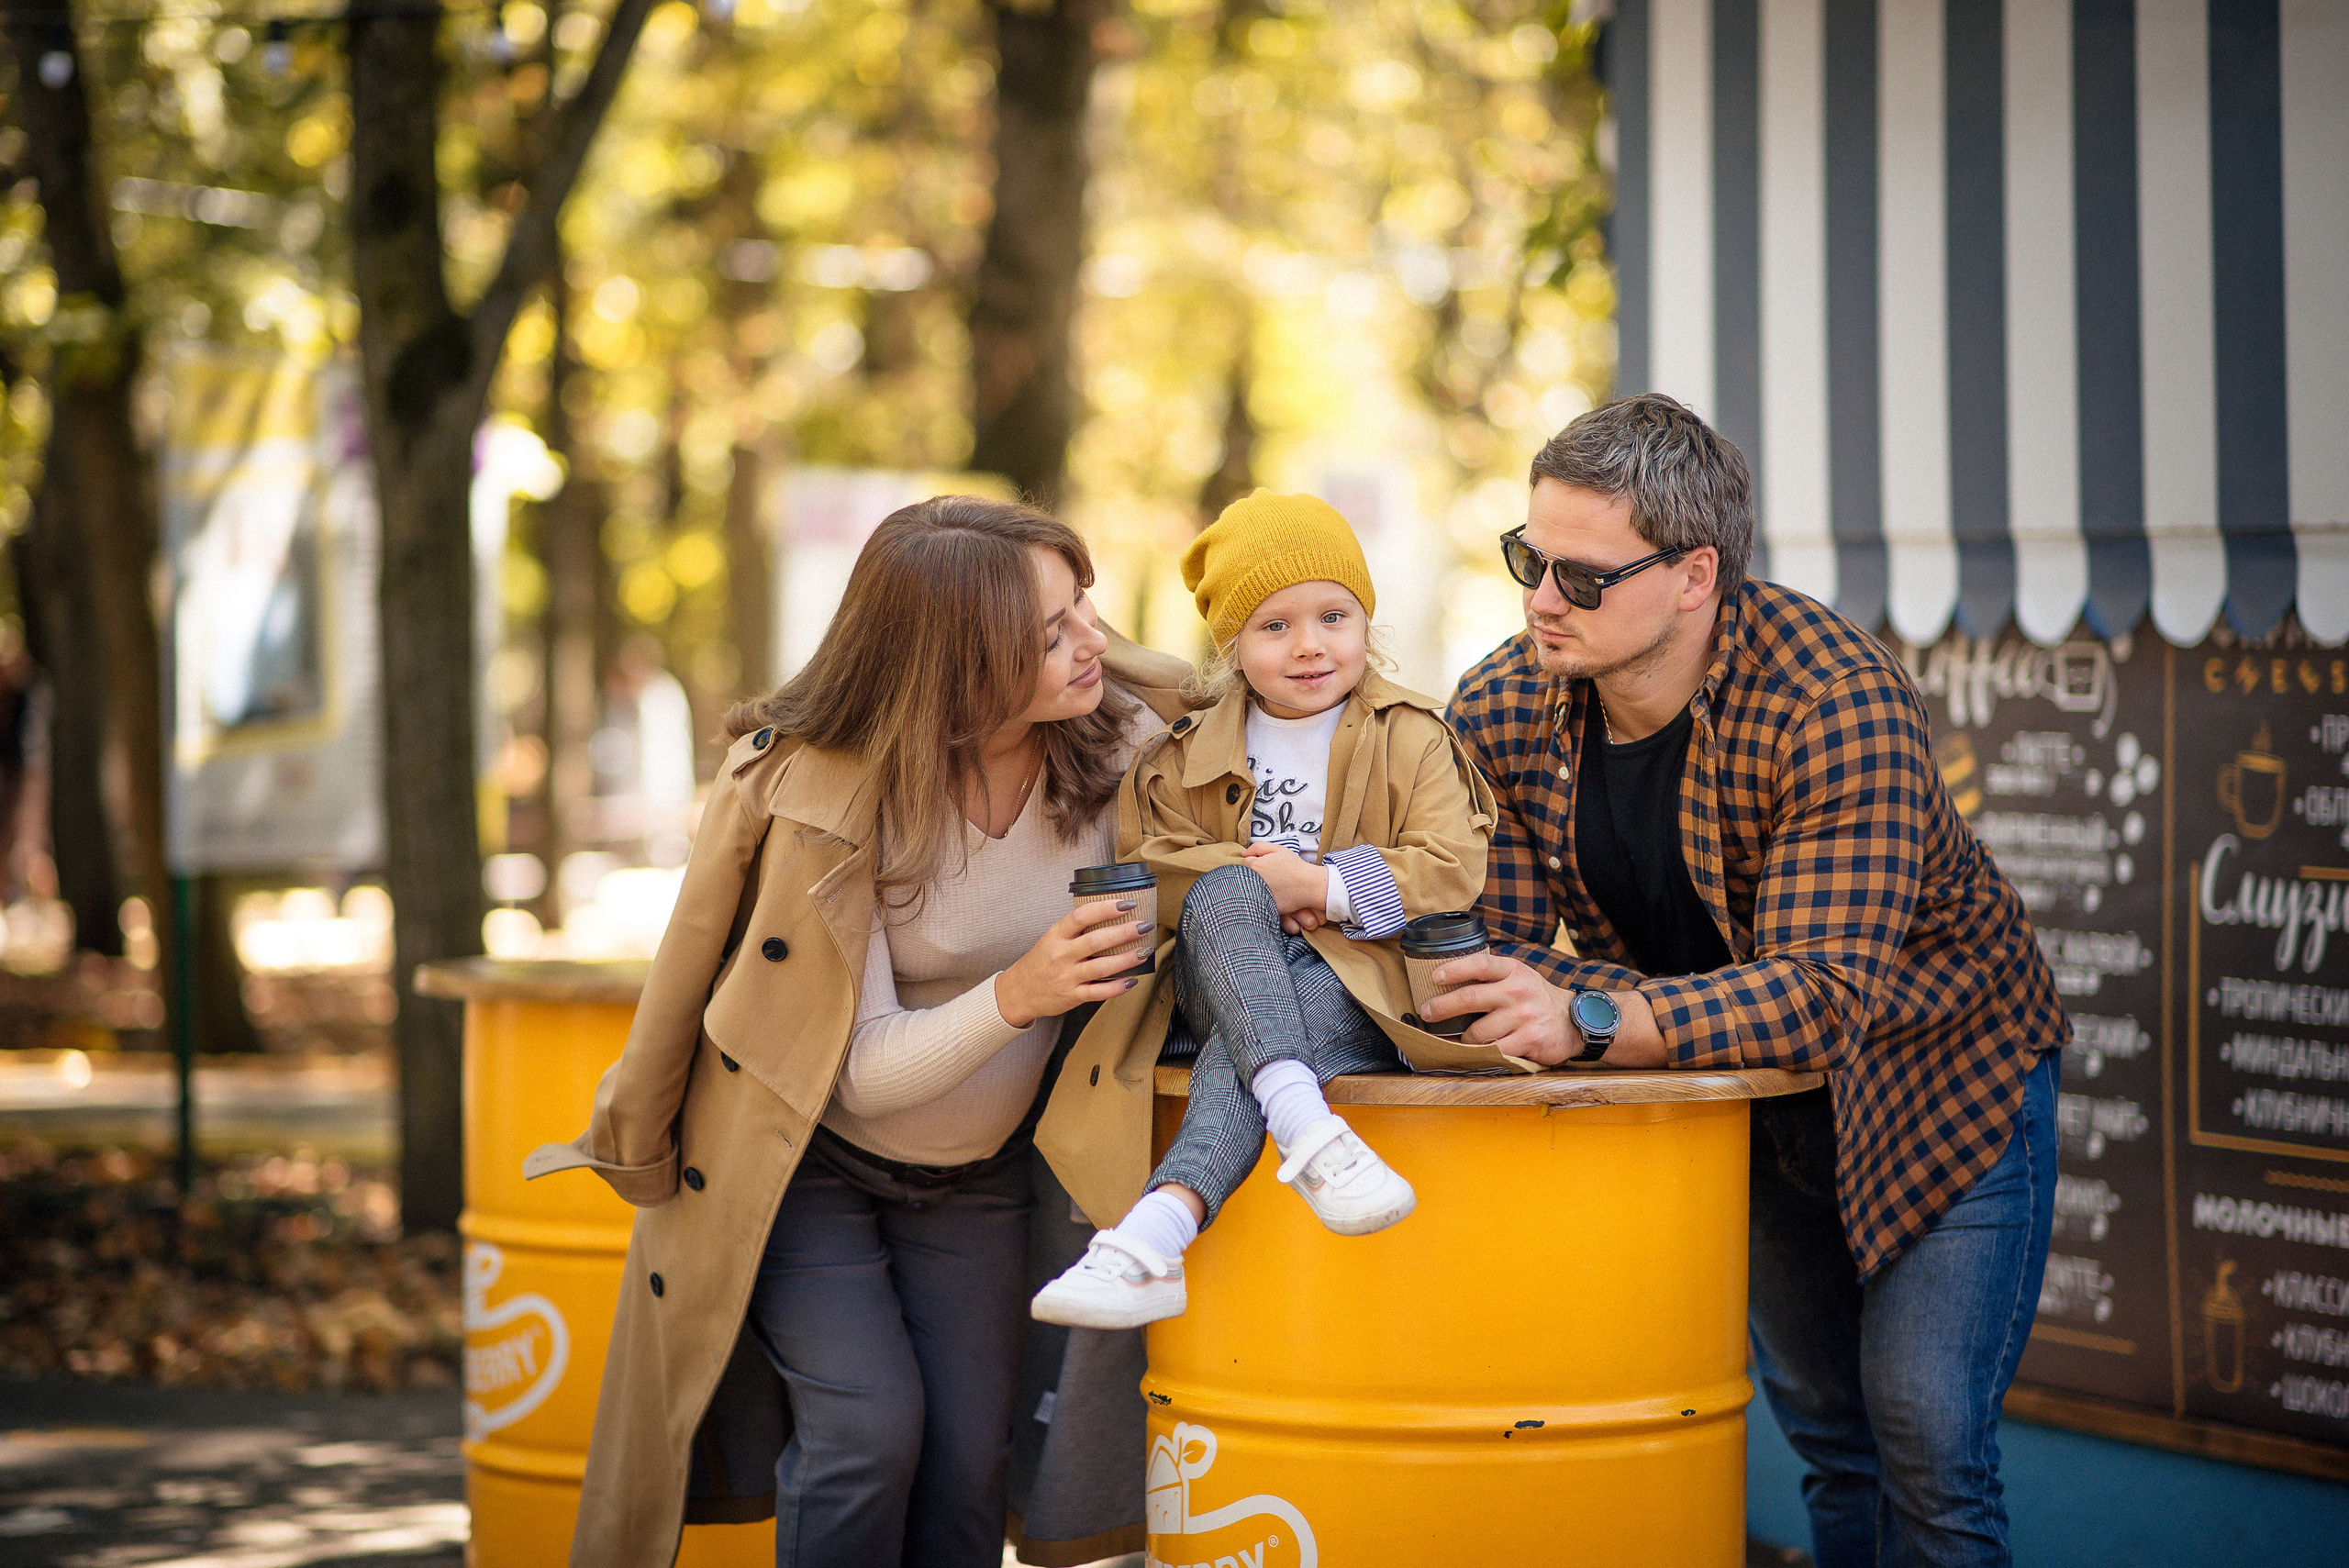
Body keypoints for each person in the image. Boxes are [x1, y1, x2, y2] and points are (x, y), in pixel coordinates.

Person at [1425, 395, 2065, 1568]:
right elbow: (1488, 950)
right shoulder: (1503, 702)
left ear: (1695, 574)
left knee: (1927, 1441)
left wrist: (1591, 1011)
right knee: (1827, 1428)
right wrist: (1588, 1002)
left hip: (1940, 1078)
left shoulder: (1834, 698)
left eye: (1582, 576)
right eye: (1529, 558)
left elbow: (1820, 994)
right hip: (1736, 1089)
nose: (1541, 599)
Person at [525, 496, 1195, 1568]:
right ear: (957, 664)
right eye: (1049, 634)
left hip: (982, 1171)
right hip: (807, 1163)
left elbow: (1261, 712)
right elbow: (863, 1069)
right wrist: (1020, 992)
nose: (1091, 645)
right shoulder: (829, 792)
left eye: (1085, 608)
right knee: (868, 1433)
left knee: (969, 1459)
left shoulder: (1119, 740)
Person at [1031, 492, 1494, 1329]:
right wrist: (1257, 887)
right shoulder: (1180, 757)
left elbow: (1451, 869)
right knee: (1228, 890)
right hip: (1215, 980)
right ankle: (1308, 1130)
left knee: (1277, 1028)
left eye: (1333, 616)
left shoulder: (1414, 735)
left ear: (1365, 622)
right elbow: (1154, 870)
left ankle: (1159, 1230)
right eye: (1274, 625)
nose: (1309, 644)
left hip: (1366, 990)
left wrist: (1320, 887)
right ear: (1232, 648)